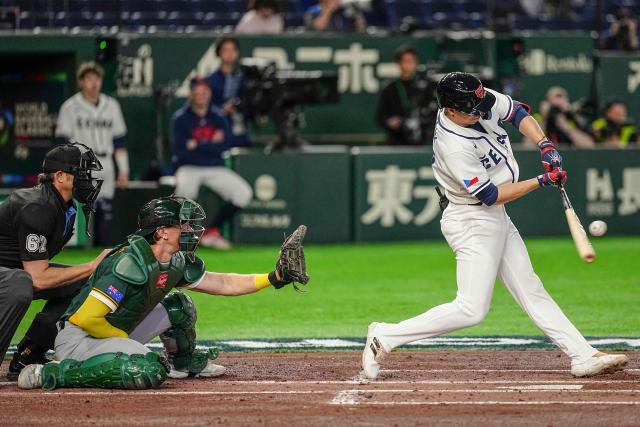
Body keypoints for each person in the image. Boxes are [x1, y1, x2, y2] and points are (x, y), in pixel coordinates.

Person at [362, 72, 629, 379]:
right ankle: (385, 335)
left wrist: (544, 144)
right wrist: (541, 180)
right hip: (471, 219)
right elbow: (490, 195)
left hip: (493, 217)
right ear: (451, 111)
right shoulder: (453, 146)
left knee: (530, 288)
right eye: (472, 110)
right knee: (472, 308)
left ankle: (582, 355)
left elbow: (517, 112)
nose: (480, 111)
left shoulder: (474, 97)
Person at [17, 196, 309, 390]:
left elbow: (223, 283)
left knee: (180, 305)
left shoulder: (176, 260)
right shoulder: (130, 262)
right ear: (161, 232)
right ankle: (53, 373)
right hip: (80, 339)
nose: (189, 229)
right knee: (147, 369)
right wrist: (130, 345)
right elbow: (89, 318)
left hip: (114, 330)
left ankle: (183, 363)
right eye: (181, 224)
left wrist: (274, 277)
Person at [0, 142, 110, 379]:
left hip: (11, 270)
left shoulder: (64, 206)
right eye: (81, 172)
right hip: (10, 274)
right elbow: (38, 278)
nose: (87, 179)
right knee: (20, 284)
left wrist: (90, 272)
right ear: (60, 176)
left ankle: (30, 352)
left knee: (84, 283)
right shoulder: (38, 206)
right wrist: (91, 265)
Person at [171, 78, 252, 250]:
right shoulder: (180, 118)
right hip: (189, 167)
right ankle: (181, 235)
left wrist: (197, 145)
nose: (201, 96)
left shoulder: (218, 116)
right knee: (184, 193)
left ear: (209, 94)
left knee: (243, 193)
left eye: (204, 93)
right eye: (198, 93)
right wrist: (209, 144)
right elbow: (181, 151)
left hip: (214, 167)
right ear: (191, 94)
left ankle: (211, 231)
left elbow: (223, 146)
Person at [55, 61, 130, 246]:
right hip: (82, 163)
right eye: (89, 78)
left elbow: (119, 141)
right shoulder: (70, 107)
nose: (94, 82)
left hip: (106, 160)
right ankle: (81, 248)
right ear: (81, 82)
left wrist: (124, 169)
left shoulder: (112, 105)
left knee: (106, 209)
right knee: (84, 209)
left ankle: (101, 249)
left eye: (97, 78)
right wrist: (65, 168)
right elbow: (62, 142)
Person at [375, 44, 437, 145]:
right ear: (398, 63)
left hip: (422, 140)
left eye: (412, 61)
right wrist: (390, 122)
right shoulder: (389, 88)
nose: (409, 64)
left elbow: (432, 112)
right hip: (397, 140)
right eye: (406, 61)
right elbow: (380, 116)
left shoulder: (425, 86)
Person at [205, 36, 252, 149]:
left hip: (240, 128)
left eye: (233, 50)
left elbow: (249, 103)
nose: (229, 54)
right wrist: (222, 109)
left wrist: (238, 106)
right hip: (217, 130)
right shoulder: (210, 80)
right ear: (219, 53)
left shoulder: (243, 78)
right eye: (226, 50)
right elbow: (205, 106)